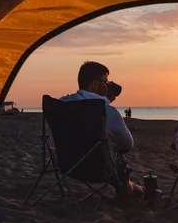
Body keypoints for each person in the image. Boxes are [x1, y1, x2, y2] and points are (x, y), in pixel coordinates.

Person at [59, 61, 143, 199]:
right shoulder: (106, 111)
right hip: (98, 170)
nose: (108, 85)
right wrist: (106, 103)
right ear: (94, 84)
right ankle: (134, 191)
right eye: (106, 81)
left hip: (67, 166)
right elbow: (127, 144)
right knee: (118, 158)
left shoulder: (62, 105)